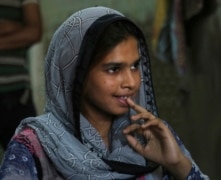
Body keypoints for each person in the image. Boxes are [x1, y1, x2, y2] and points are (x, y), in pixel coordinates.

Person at [0, 6, 209, 179]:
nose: (131, 82)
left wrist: (178, 164)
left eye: (135, 66)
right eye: (113, 69)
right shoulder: (34, 146)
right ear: (76, 75)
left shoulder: (152, 135)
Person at [0, 0, 42, 150]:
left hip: (17, 95)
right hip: (17, 94)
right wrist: (11, 28)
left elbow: (34, 32)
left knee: (29, 164)